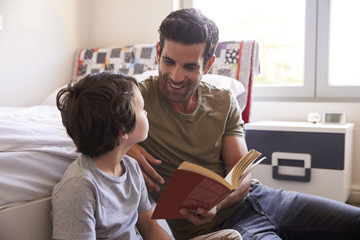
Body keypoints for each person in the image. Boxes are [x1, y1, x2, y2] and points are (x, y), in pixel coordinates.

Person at [126, 8, 360, 240]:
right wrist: (125, 146)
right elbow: (89, 117)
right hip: (221, 229)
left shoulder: (222, 100)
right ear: (158, 52)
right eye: (168, 62)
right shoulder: (135, 100)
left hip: (264, 199)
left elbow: (241, 175)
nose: (176, 76)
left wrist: (218, 203)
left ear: (208, 65)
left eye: (190, 67)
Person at [51, 72, 171, 239]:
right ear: (122, 129)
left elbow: (150, 227)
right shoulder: (79, 187)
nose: (146, 113)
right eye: (142, 109)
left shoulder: (132, 168)